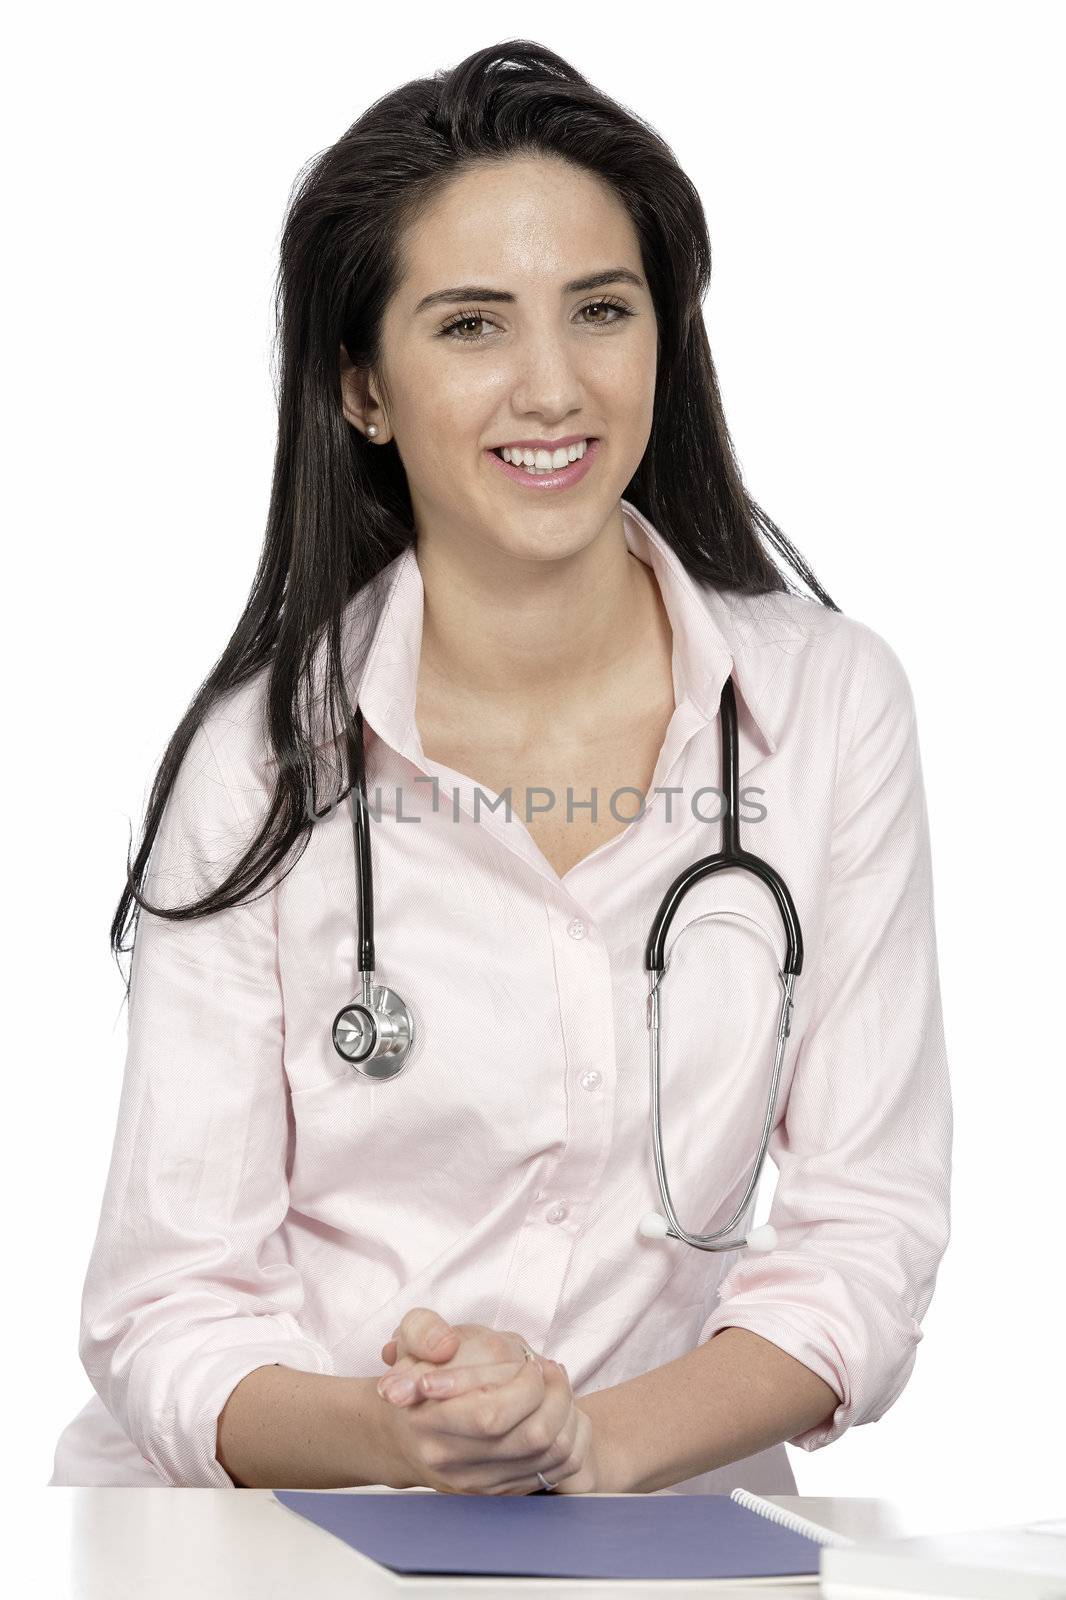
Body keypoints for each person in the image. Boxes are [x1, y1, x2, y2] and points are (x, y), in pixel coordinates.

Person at [49, 38, 952, 1495]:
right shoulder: (257, 763)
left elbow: (863, 1233)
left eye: (600, 310)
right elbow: (167, 1307)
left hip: (657, 1528)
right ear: (362, 388)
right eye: (471, 326)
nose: (552, 386)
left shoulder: (826, 709)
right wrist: (404, 1437)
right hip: (280, 1538)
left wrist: (591, 1442)